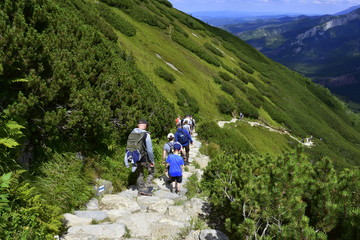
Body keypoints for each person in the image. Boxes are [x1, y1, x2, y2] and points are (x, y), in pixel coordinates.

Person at [124, 119, 155, 196]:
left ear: (138, 125)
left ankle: (140, 191)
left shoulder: (132, 133)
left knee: (139, 174)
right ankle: (145, 188)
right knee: (152, 172)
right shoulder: (146, 134)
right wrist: (152, 160)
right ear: (145, 125)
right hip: (145, 158)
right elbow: (150, 150)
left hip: (135, 157)